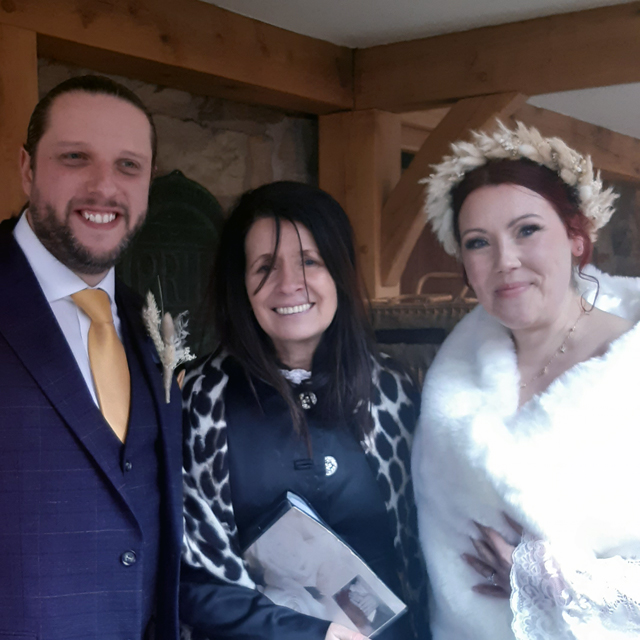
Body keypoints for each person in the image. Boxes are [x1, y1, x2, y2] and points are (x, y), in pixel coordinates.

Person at [412, 121, 640, 640]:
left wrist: (544, 578)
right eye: (478, 242)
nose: (505, 262)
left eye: (527, 230)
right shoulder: (453, 382)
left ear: (577, 236)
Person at [179, 181, 430, 639]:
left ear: (338, 271)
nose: (289, 283)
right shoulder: (199, 400)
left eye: (309, 261)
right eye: (265, 266)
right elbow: (193, 577)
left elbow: (427, 551)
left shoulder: (393, 391)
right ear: (241, 284)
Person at [0, 75, 183, 639]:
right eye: (76, 157)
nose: (104, 187)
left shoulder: (147, 323)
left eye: (129, 166)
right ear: (29, 168)